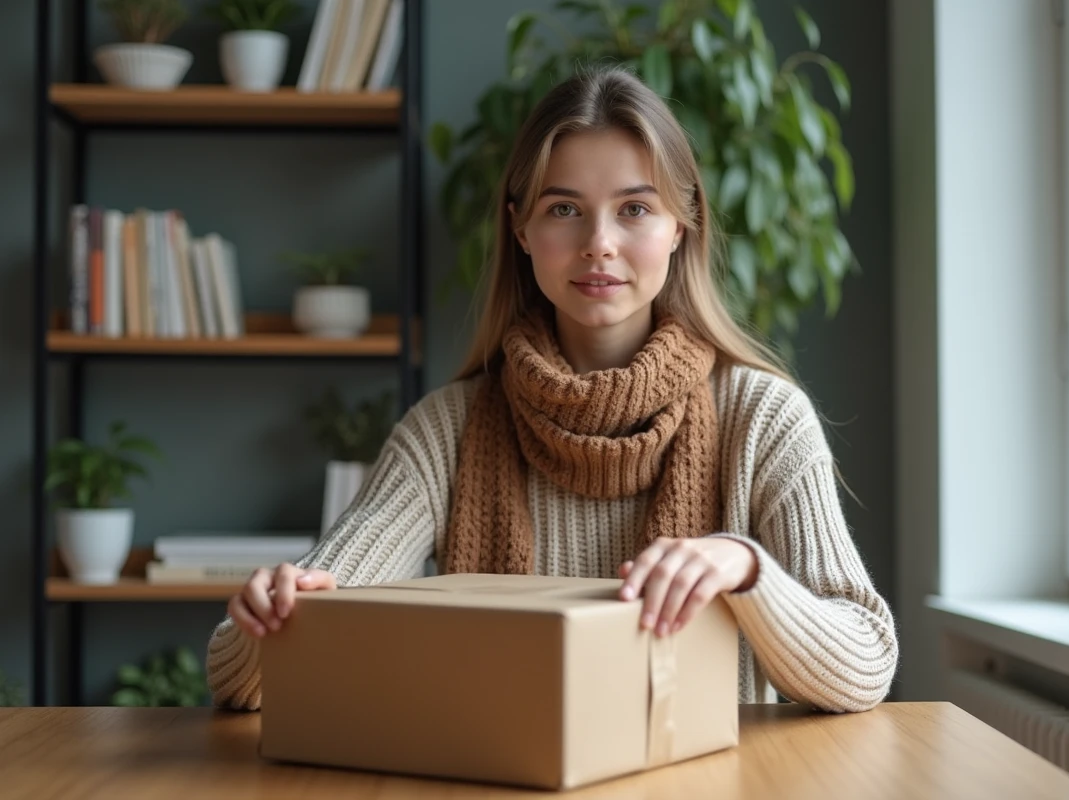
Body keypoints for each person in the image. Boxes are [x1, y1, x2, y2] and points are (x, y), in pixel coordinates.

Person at [207, 67, 897, 712]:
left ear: (681, 228)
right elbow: (246, 682)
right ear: (522, 228)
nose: (599, 243)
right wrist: (273, 615)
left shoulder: (764, 418)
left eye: (634, 209)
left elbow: (865, 666)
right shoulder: (445, 430)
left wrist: (747, 569)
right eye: (565, 209)